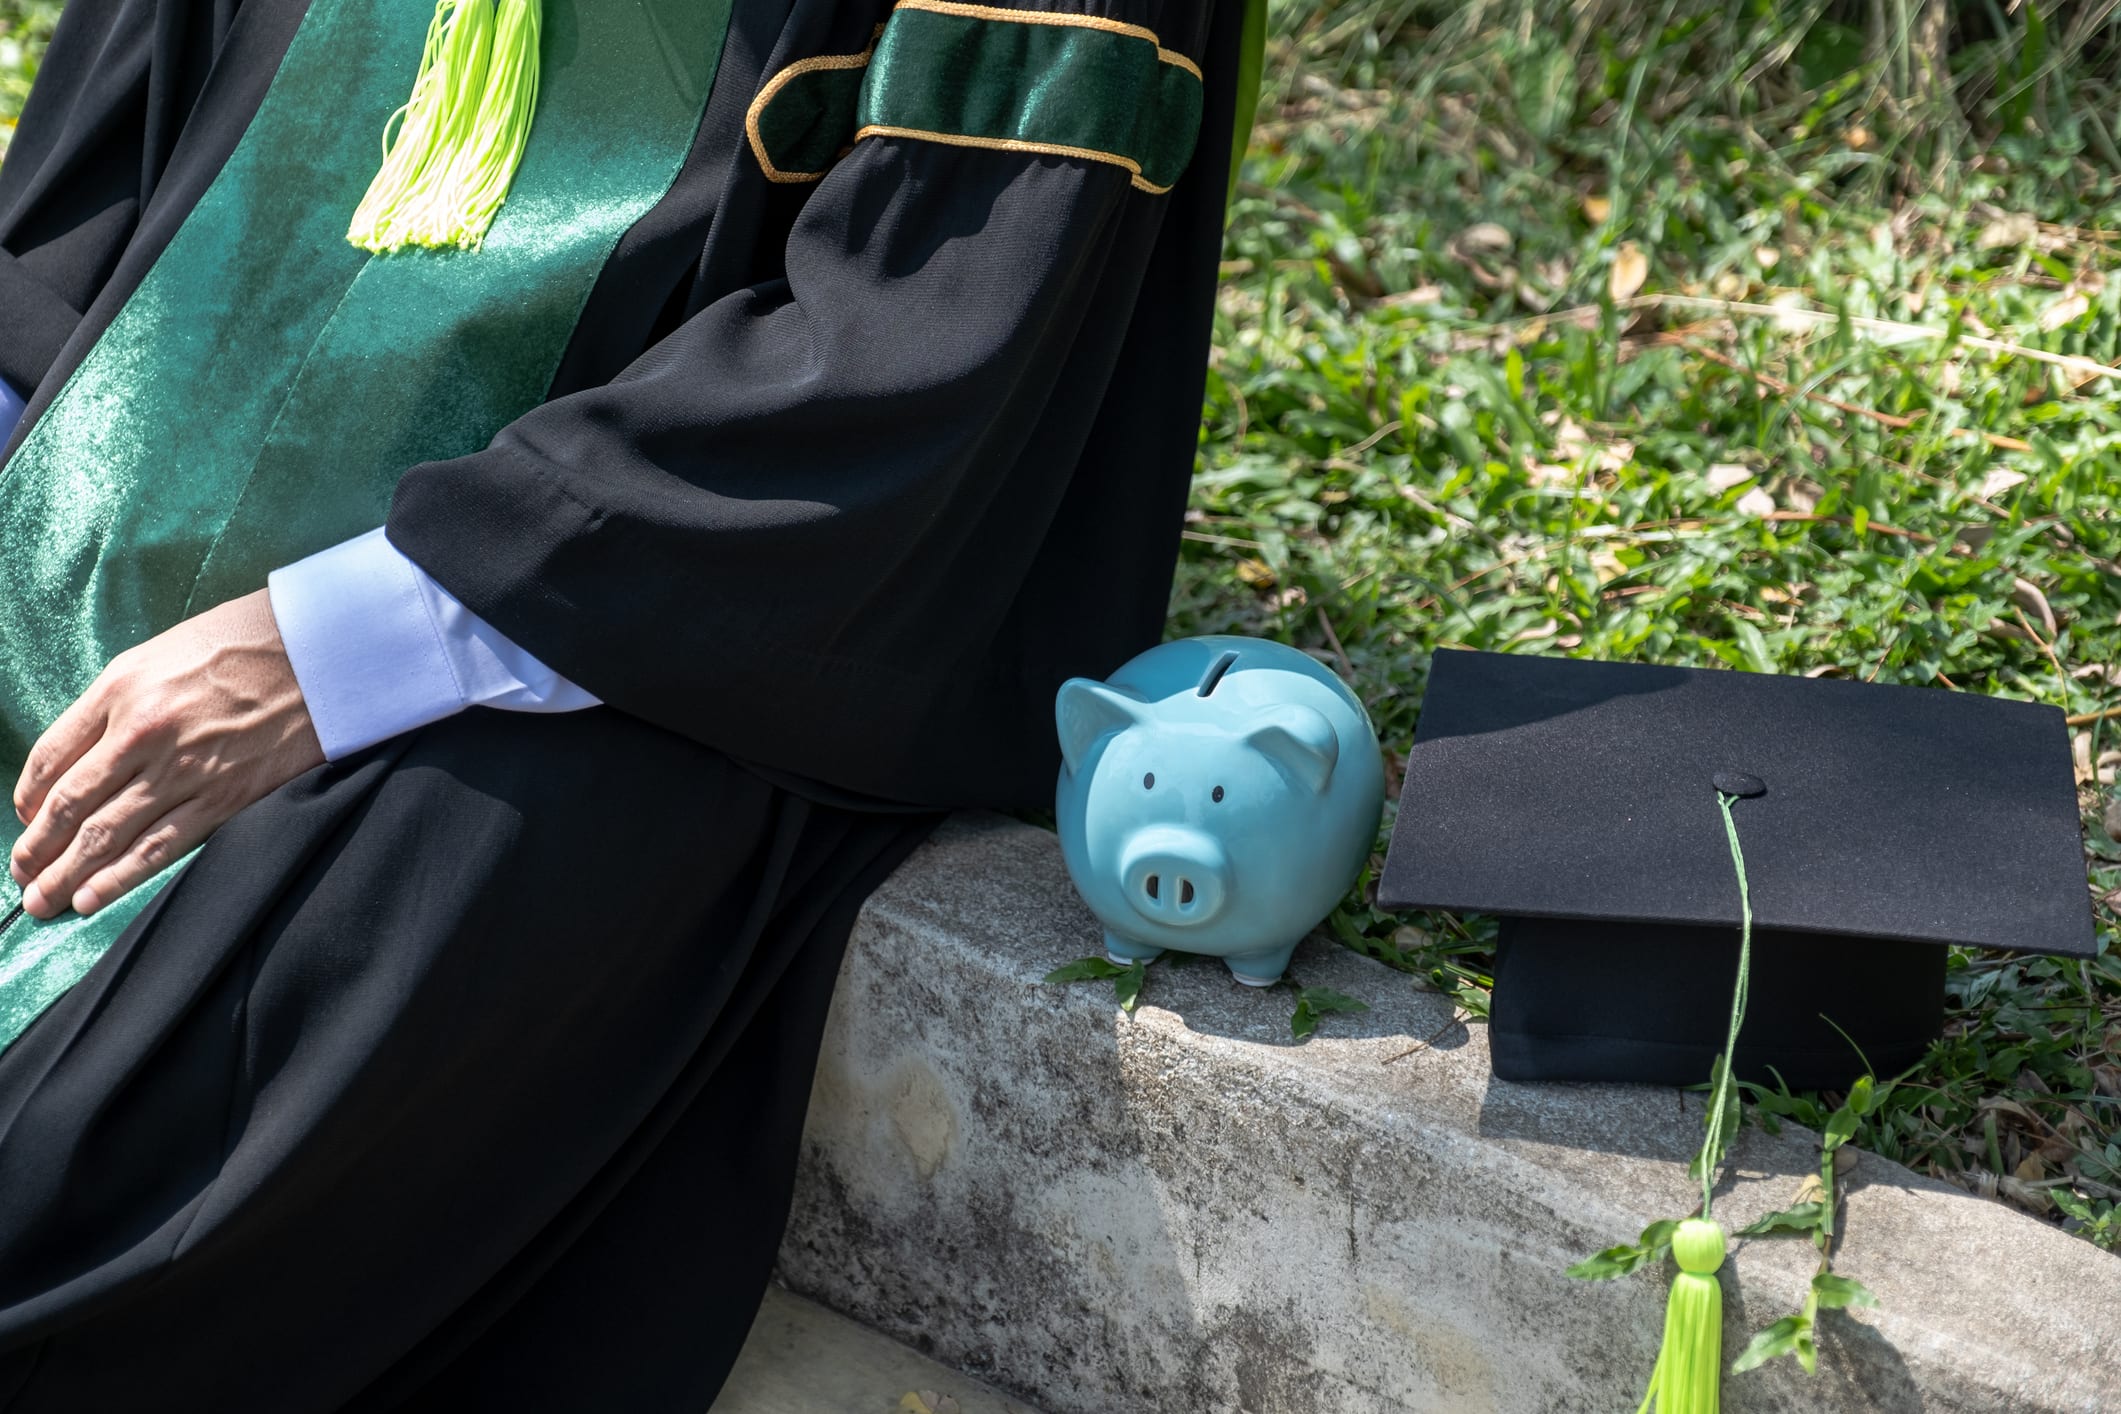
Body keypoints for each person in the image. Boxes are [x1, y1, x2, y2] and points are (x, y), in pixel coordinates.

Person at [0, 0, 1244, 1405]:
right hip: (88, 503)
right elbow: (99, 179)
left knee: (84, 1175)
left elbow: (923, 341)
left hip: (627, 612)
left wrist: (341, 646)